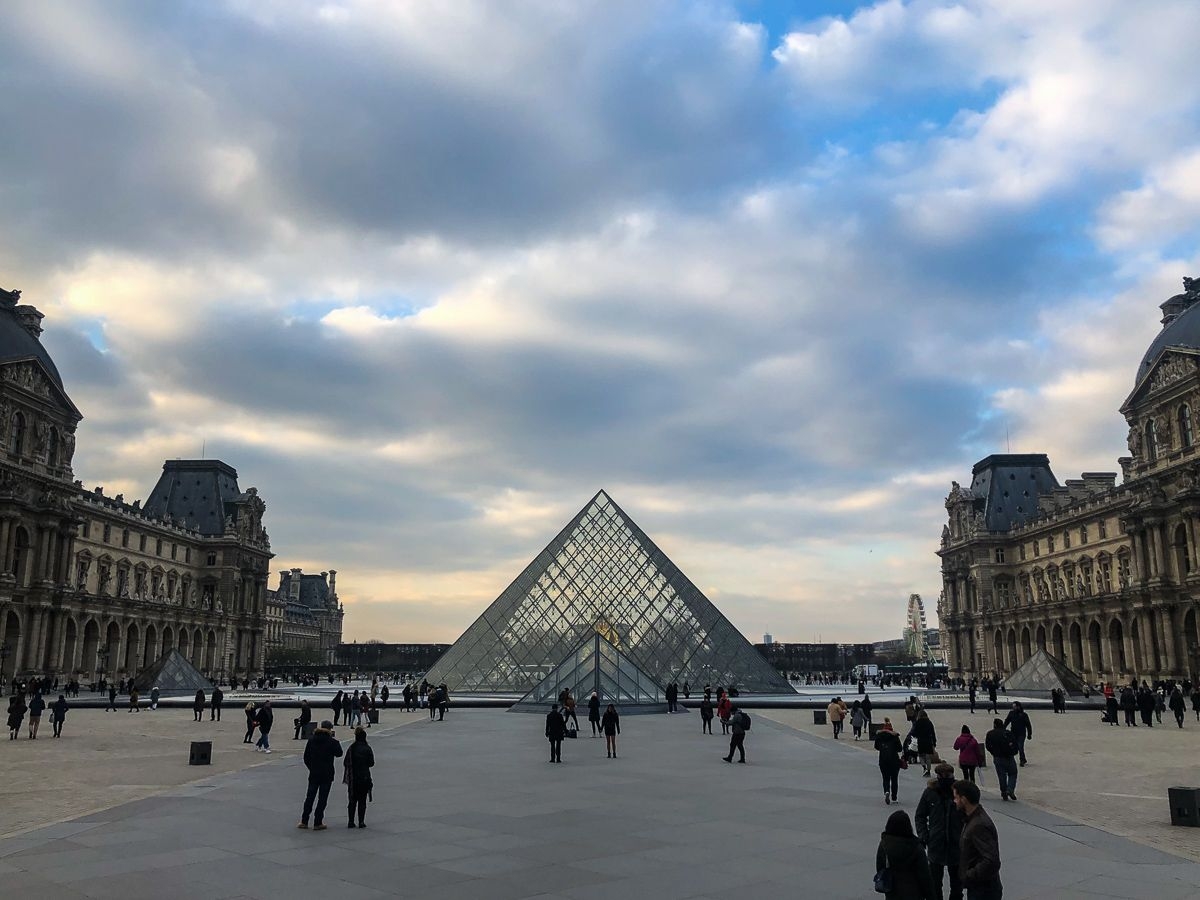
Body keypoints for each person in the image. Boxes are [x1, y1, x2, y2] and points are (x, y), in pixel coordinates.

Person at [916, 763, 963, 900]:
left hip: (956, 844)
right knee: (935, 884)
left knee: (957, 885)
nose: (944, 779)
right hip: (936, 843)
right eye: (942, 776)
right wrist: (924, 835)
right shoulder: (930, 792)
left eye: (947, 776)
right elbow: (920, 815)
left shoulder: (959, 792)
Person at [953, 780, 1002, 900]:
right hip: (980, 886)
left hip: (983, 889)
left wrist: (969, 875)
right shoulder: (971, 819)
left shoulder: (978, 825)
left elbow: (991, 860)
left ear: (964, 799)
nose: (954, 801)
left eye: (956, 797)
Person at [876, 809, 935, 900]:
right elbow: (925, 876)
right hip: (914, 892)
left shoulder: (884, 845)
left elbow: (880, 868)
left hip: (892, 891)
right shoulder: (916, 847)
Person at [298, 720, 343, 831]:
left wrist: (311, 768)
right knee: (322, 799)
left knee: (309, 798)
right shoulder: (332, 742)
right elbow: (339, 753)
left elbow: (306, 757)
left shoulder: (311, 740)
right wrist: (333, 739)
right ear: (330, 729)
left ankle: (304, 821)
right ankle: (318, 822)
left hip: (314, 773)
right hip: (327, 774)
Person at [345, 726, 375, 828]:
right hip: (364, 777)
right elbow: (371, 763)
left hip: (353, 778)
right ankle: (361, 821)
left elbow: (346, 762)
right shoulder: (367, 748)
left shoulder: (351, 748)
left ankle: (350, 821)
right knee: (362, 800)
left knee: (352, 800)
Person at [984, 718, 1018, 801]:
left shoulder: (990, 733)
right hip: (1009, 757)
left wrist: (993, 753)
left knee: (1001, 776)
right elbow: (1015, 743)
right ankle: (1010, 789)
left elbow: (988, 746)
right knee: (1013, 773)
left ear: (994, 724)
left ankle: (1004, 792)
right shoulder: (1008, 733)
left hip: (998, 757)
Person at [875, 718, 904, 805]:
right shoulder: (894, 737)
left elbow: (876, 747)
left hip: (883, 760)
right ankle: (894, 797)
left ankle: (886, 791)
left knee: (885, 778)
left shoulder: (879, 736)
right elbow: (899, 749)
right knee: (894, 779)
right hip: (894, 760)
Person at [909, 709, 937, 777]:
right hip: (928, 741)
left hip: (920, 741)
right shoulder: (929, 722)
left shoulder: (917, 722)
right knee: (928, 757)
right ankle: (929, 770)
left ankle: (924, 766)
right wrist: (934, 742)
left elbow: (914, 732)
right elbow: (933, 733)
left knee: (921, 755)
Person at [1003, 702, 1032, 766]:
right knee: (1011, 747)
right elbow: (1007, 721)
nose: (1013, 708)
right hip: (1013, 733)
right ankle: (1012, 759)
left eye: (1014, 707)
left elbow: (1028, 725)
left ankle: (1022, 760)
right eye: (1013, 707)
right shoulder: (1011, 713)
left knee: (1020, 747)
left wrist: (1029, 734)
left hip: (1021, 734)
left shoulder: (1024, 715)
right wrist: (1003, 728)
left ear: (1018, 707)